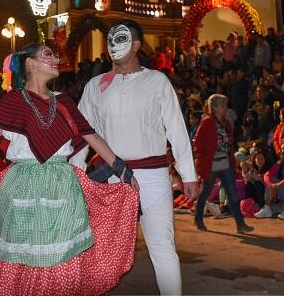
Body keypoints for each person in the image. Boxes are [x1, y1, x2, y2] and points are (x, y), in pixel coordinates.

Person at [0, 44, 140, 296]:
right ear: (30, 64)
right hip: (22, 184)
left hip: (63, 186)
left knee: (60, 253)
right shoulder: (13, 101)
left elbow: (92, 137)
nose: (55, 59)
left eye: (54, 55)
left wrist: (123, 170)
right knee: (23, 254)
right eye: (47, 55)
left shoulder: (64, 102)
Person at [79, 19, 198, 296]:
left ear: (136, 45)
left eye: (119, 40)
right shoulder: (95, 86)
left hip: (153, 178)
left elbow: (176, 128)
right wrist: (75, 170)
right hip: (110, 178)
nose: (112, 46)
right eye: (109, 40)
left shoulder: (156, 81)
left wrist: (188, 174)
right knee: (101, 248)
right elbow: (81, 133)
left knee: (162, 247)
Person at [192, 94, 253, 233]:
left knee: (232, 195)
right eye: (223, 105)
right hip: (211, 165)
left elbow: (229, 145)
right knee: (205, 193)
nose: (226, 108)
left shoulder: (226, 124)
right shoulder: (206, 122)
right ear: (214, 107)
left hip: (224, 163)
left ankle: (240, 224)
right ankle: (198, 219)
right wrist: (201, 160)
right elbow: (198, 145)